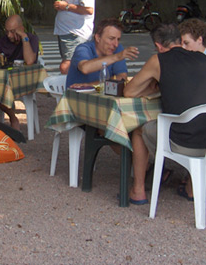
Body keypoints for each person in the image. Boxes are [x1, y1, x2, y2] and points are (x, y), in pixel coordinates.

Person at [124, 24, 206, 204]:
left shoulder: (158, 60)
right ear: (179, 40)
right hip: (203, 137)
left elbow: (129, 92)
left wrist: (152, 86)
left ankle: (138, 190)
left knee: (139, 128)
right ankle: (191, 189)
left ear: (158, 46)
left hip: (181, 139)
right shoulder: (201, 58)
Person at [0, 14, 40, 130]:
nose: (9, 35)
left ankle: (9, 119)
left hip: (24, 81)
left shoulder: (31, 39)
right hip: (5, 80)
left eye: (13, 32)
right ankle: (12, 117)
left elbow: (29, 61)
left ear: (21, 29)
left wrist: (24, 37)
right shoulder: (4, 40)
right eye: (7, 31)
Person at [66, 18, 139, 88]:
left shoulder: (117, 49)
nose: (116, 44)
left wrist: (91, 85)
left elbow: (122, 78)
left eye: (118, 39)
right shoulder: (83, 49)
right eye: (111, 39)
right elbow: (85, 68)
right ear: (98, 38)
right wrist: (117, 57)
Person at [53, 0, 95, 74]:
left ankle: (68, 88)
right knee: (71, 64)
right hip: (68, 32)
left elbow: (88, 9)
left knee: (67, 66)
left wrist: (65, 6)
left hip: (75, 33)